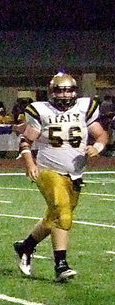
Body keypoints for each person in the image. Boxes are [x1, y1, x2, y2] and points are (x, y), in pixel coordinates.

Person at [13, 72, 107, 282]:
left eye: (68, 90)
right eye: (60, 90)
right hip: (48, 170)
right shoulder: (41, 110)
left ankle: (26, 246)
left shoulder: (85, 108)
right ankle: (60, 264)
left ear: (75, 91)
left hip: (75, 173)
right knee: (62, 213)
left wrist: (97, 147)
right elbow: (26, 141)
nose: (64, 94)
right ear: (51, 92)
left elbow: (101, 134)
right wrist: (29, 163)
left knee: (55, 216)